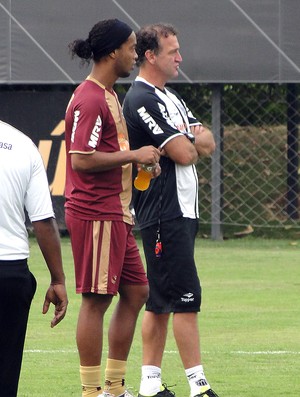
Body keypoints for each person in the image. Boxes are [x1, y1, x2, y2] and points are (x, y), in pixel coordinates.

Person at [64, 19, 161, 397]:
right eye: (131, 47)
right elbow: (80, 160)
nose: (135, 55)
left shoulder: (108, 94)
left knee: (136, 291)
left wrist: (134, 163)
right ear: (111, 52)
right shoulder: (89, 98)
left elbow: (104, 153)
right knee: (96, 299)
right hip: (96, 213)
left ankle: (115, 387)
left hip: (116, 212)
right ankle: (92, 393)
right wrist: (134, 153)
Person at [123, 23, 219, 397]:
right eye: (172, 51)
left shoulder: (171, 98)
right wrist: (186, 142)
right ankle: (199, 385)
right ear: (150, 56)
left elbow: (204, 141)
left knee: (162, 299)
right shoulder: (142, 99)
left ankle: (149, 385)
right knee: (184, 297)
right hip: (163, 211)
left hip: (181, 211)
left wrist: (187, 140)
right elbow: (184, 152)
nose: (180, 57)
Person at [0, 120, 68, 397]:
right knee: (5, 372)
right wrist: (58, 279)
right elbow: (42, 220)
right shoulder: (22, 144)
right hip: (10, 274)